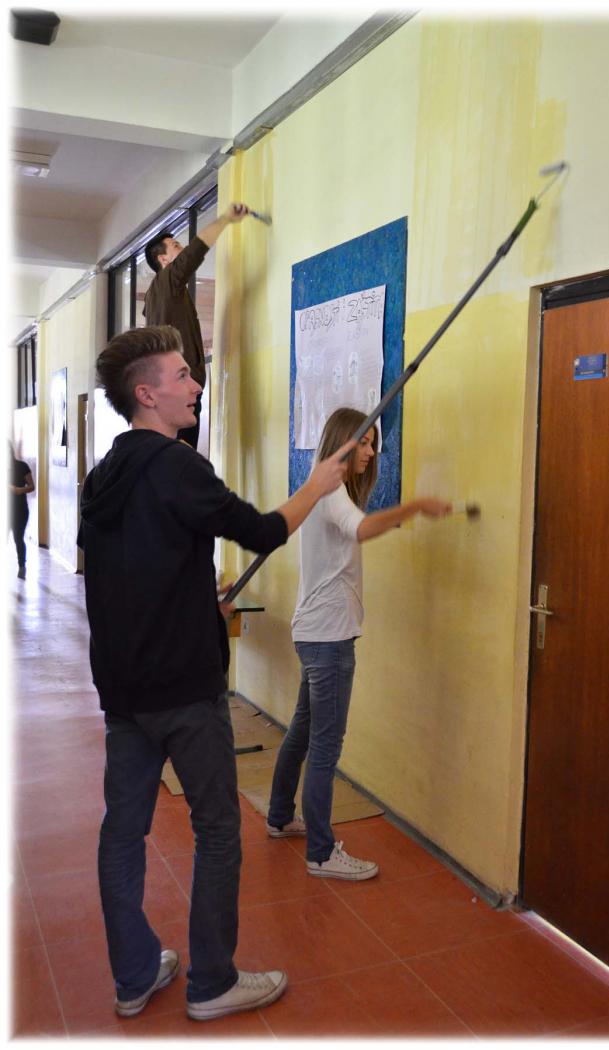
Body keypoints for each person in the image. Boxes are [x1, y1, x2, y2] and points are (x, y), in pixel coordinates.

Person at [78, 325, 354, 1021]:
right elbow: (262, 531)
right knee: (219, 830)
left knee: (122, 832)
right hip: (185, 692)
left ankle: (133, 976)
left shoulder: (103, 476)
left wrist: (201, 599)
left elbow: (127, 576)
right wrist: (317, 484)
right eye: (181, 375)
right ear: (147, 395)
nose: (196, 385)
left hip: (124, 693)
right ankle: (212, 983)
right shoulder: (177, 466)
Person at [266, 407, 451, 880]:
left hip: (314, 632)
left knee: (304, 729)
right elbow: (363, 529)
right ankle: (322, 853)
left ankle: (280, 816)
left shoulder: (321, 489)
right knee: (325, 745)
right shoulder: (330, 492)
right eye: (363, 443)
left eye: (373, 444)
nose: (371, 452)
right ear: (343, 443)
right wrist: (414, 506)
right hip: (328, 638)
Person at [143, 202, 249, 449]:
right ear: (163, 259)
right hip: (180, 388)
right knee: (182, 453)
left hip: (169, 388)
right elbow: (196, 251)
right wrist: (226, 219)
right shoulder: (168, 280)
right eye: (176, 246)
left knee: (173, 451)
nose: (182, 250)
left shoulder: (154, 295)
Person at [8, 441, 34, 579]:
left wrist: (19, 490)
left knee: (18, 539)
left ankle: (22, 566)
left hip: (20, 510)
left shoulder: (22, 466)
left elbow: (32, 486)